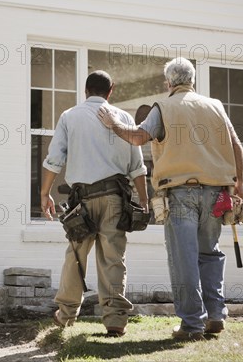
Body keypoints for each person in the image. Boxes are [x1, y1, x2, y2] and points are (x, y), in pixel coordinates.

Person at [97, 57, 243, 341]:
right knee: (210, 254)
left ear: (169, 83)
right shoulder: (215, 105)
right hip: (216, 193)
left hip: (180, 193)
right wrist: (240, 184)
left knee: (184, 259)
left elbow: (139, 137)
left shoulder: (163, 107)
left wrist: (114, 123)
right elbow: (236, 146)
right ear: (192, 81)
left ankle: (191, 324)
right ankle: (215, 316)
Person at [41, 70, 148, 337]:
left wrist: (44, 193)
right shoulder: (123, 118)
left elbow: (54, 159)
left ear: (86, 90)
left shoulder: (69, 116)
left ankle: (65, 315)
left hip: (82, 202)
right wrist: (144, 199)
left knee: (76, 257)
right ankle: (115, 321)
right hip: (115, 198)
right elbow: (137, 167)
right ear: (110, 91)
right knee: (113, 258)